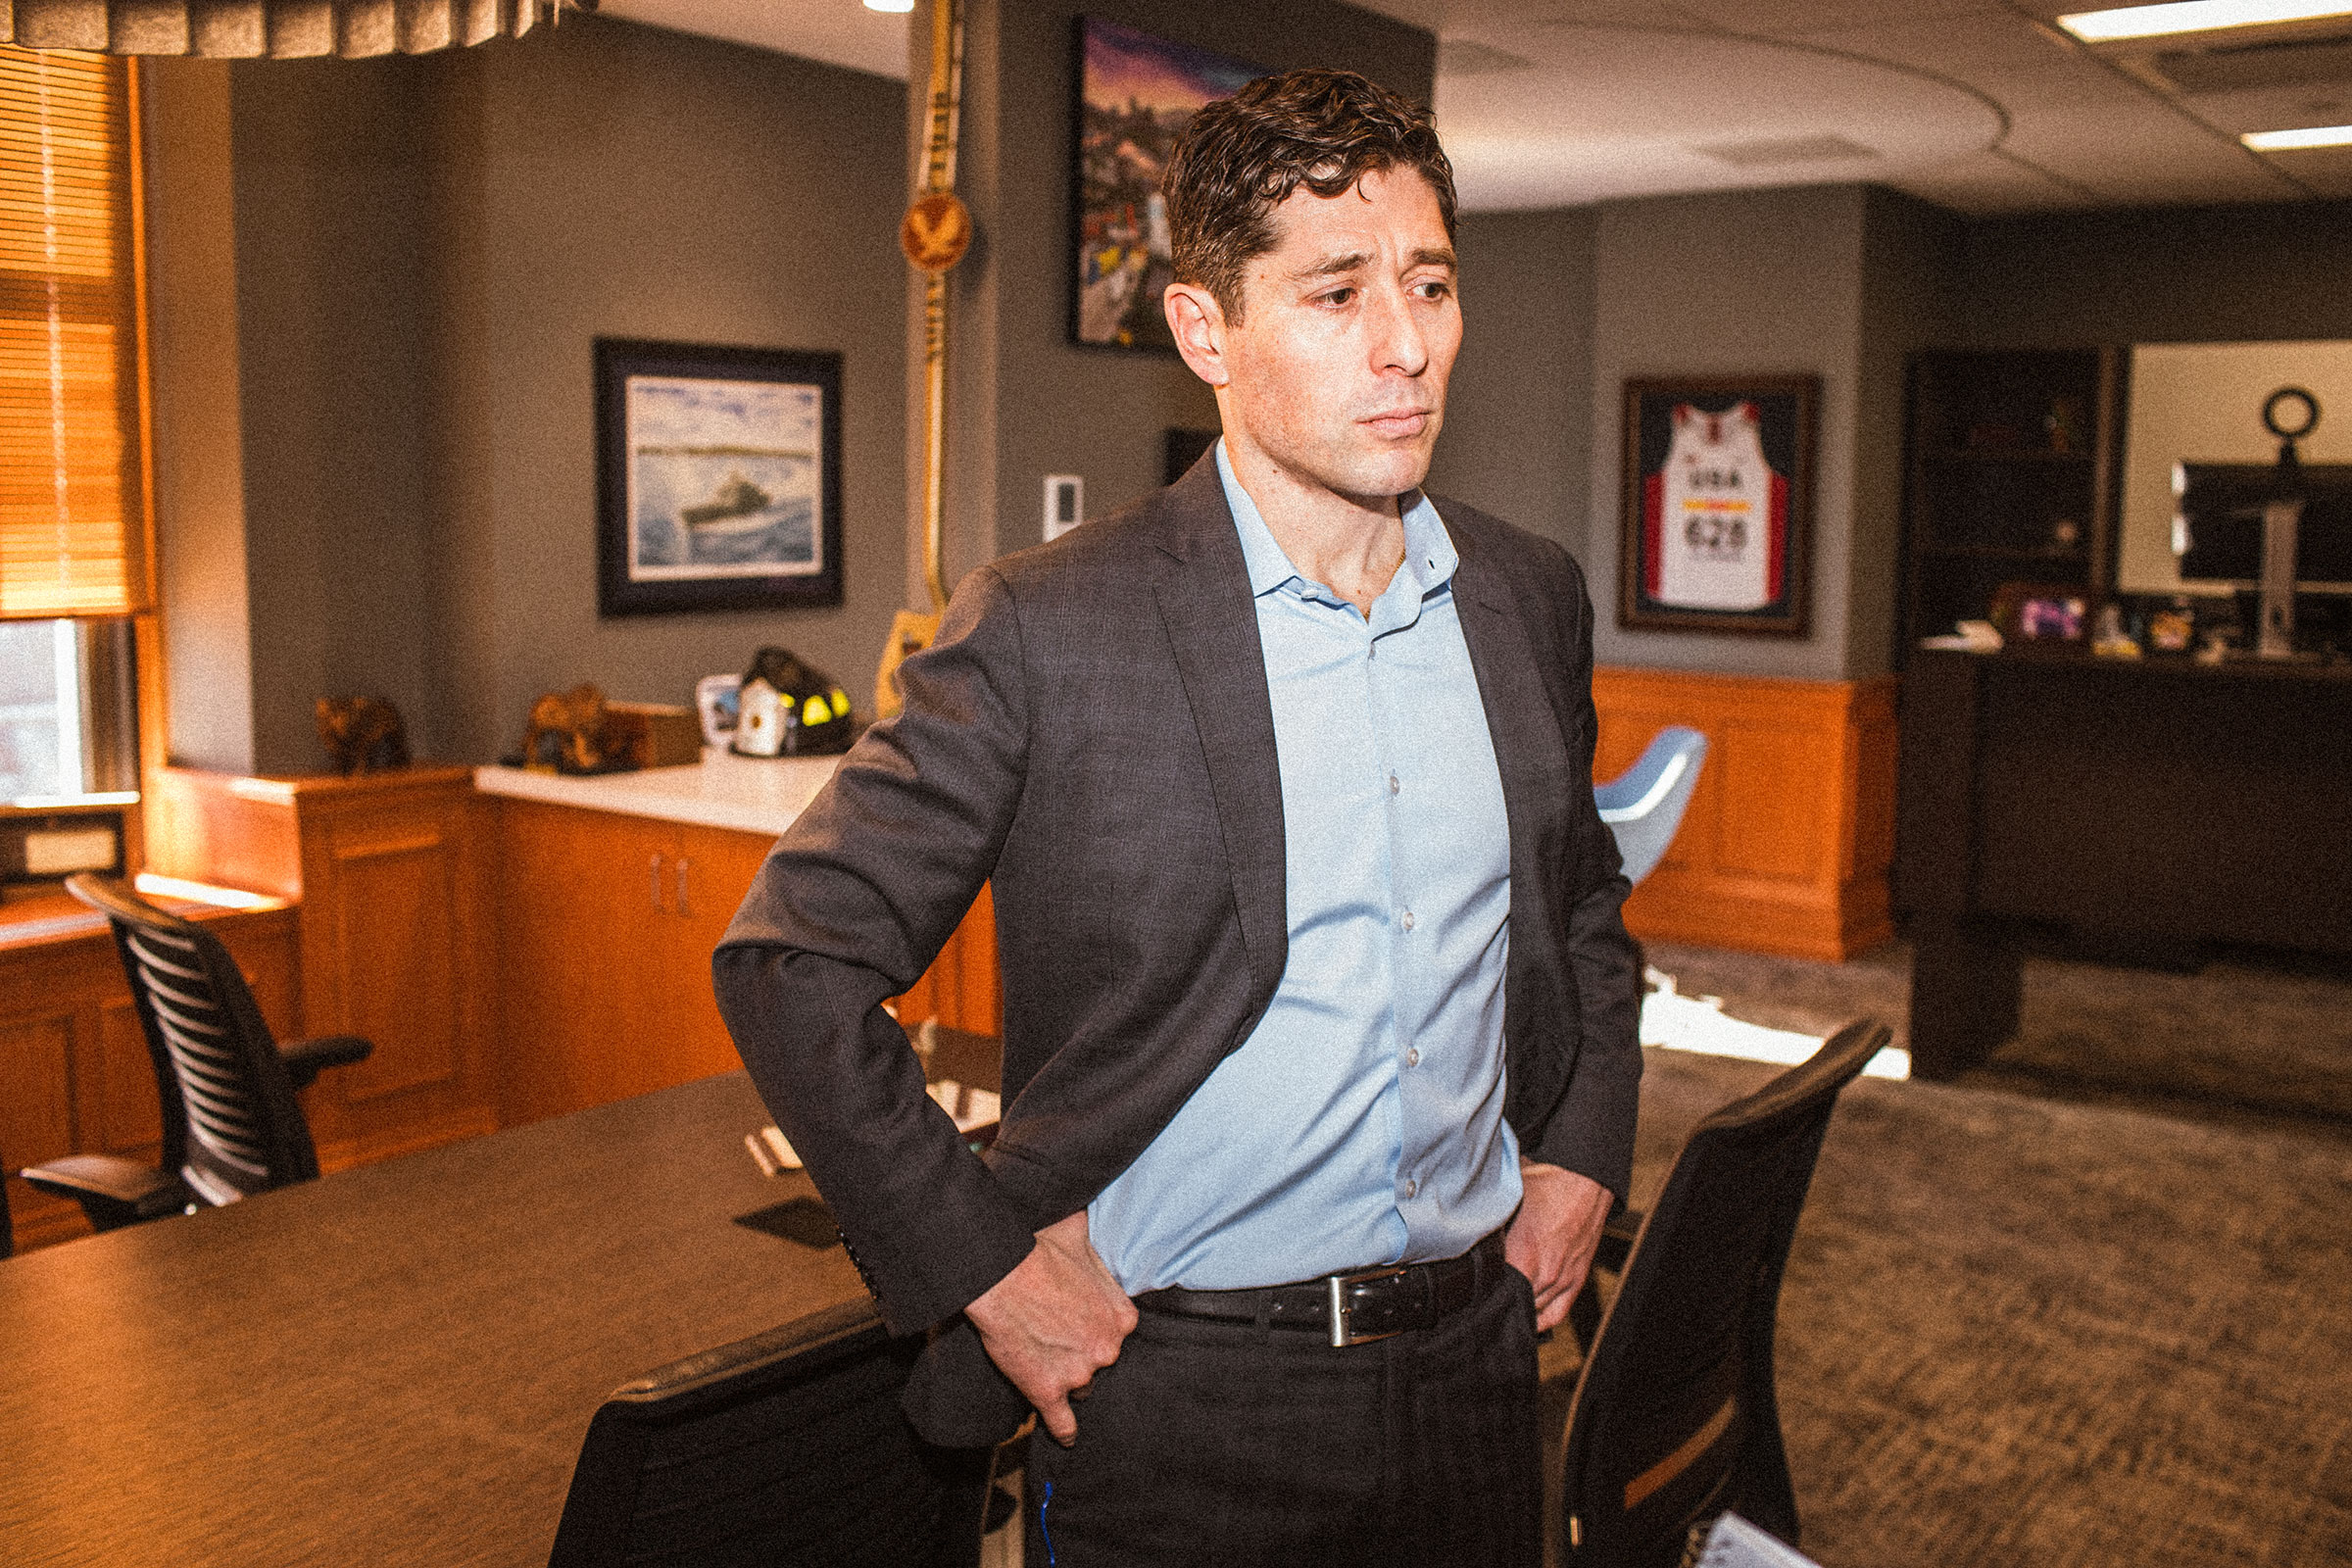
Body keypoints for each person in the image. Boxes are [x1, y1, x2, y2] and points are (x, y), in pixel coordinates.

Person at [713, 66, 1641, 1568]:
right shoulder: (1048, 624)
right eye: (1337, 294)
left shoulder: (1526, 597)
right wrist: (988, 1271)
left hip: (1481, 1370)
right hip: (1182, 1394)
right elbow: (789, 959)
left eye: (1430, 283)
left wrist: (1587, 1150)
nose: (1407, 346)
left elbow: (1581, 908)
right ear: (1208, 331)